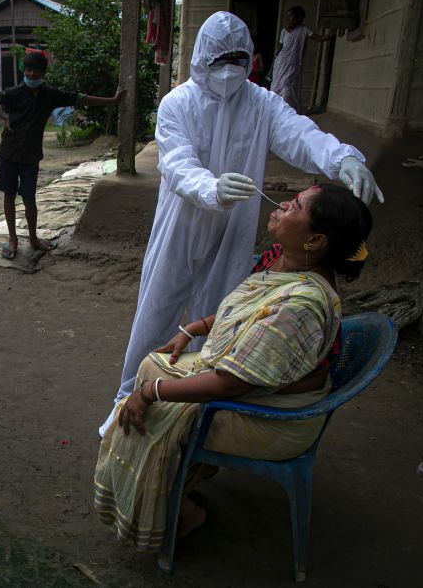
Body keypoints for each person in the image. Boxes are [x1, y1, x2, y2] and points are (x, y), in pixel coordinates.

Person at [99, 11, 383, 437]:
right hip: (183, 223)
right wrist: (211, 188)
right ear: (201, 58)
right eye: (221, 61)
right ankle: (127, 396)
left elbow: (300, 135)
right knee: (156, 310)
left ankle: (187, 410)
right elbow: (175, 163)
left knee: (220, 315)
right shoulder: (178, 103)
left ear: (250, 59)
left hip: (234, 227)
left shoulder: (262, 103)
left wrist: (342, 157)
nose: (230, 71)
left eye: (238, 61)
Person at [95, 183, 372, 550]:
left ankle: (184, 510)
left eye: (298, 205)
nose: (285, 203)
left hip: (270, 419)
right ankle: (193, 469)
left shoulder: (300, 306)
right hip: (253, 388)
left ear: (315, 241)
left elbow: (229, 385)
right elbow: (243, 311)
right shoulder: (279, 258)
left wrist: (148, 394)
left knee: (152, 399)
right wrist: (190, 329)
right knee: (153, 365)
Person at [0, 52, 123, 260]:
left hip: (31, 155)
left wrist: (112, 101)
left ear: (42, 73)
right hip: (9, 152)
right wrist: (5, 117)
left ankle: (33, 238)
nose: (31, 73)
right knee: (9, 195)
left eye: (36, 70)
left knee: (30, 197)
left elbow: (79, 98)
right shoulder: (14, 93)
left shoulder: (50, 95)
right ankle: (12, 239)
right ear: (24, 71)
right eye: (28, 69)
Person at [269, 6, 333, 112]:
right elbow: (278, 50)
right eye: (287, 17)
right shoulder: (284, 32)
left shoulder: (303, 30)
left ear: (299, 18)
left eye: (290, 17)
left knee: (288, 90)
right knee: (276, 88)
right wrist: (271, 68)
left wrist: (332, 34)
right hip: (280, 65)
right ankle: (275, 111)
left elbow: (320, 39)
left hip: (292, 66)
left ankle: (288, 112)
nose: (288, 19)